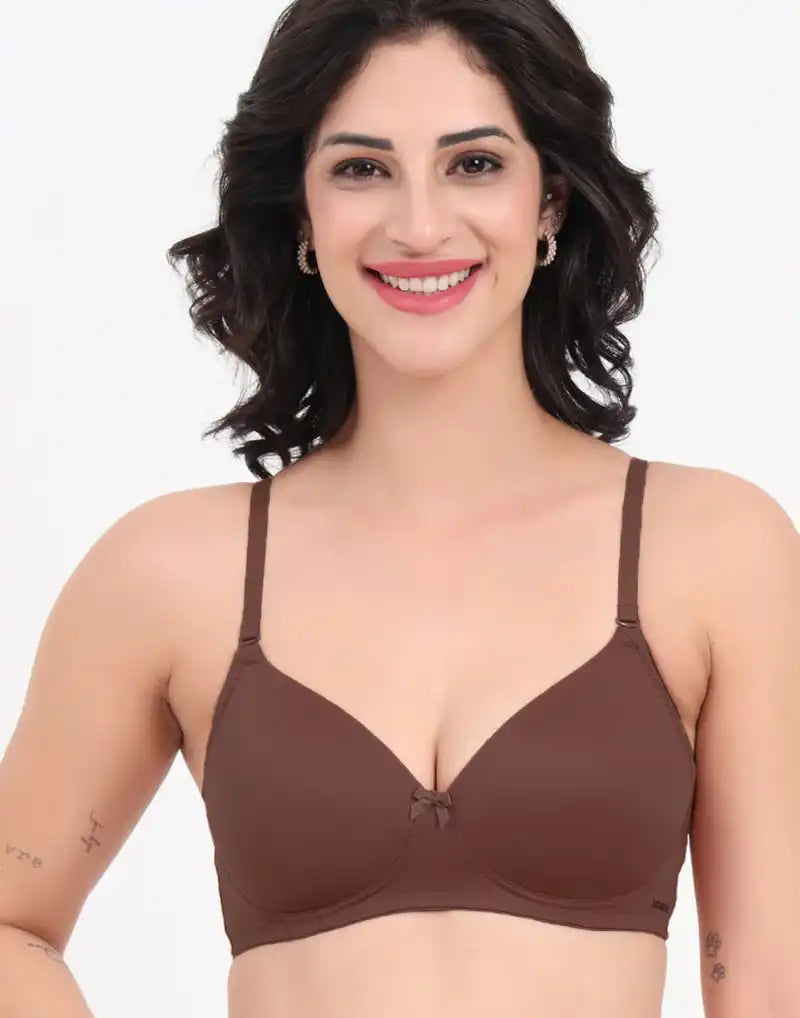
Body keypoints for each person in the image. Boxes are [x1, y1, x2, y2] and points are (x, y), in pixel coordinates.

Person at [0, 1, 797, 1016]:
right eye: (361, 168)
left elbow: (770, 985)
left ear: (548, 201)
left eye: (474, 163)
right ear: (300, 214)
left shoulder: (715, 551)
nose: (420, 225)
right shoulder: (168, 573)